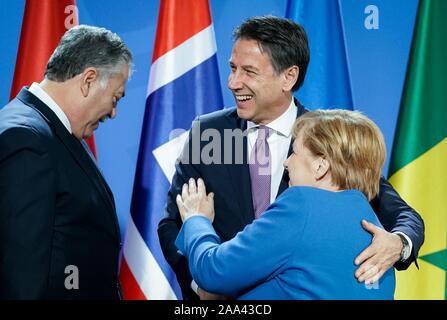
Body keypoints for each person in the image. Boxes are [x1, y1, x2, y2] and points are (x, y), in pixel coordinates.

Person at [158, 15, 424, 300]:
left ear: (289, 76)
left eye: (249, 71)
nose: (234, 82)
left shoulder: (322, 138)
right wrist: (202, 286)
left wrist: (399, 243)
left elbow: (403, 214)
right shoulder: (209, 132)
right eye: (232, 68)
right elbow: (172, 222)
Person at [175, 109, 396, 299]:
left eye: (295, 152)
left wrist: (197, 220)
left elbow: (212, 271)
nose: (286, 161)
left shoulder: (302, 206)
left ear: (321, 166)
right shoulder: (373, 224)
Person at [0, 25, 132, 299]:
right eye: (115, 98)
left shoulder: (54, 132)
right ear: (88, 80)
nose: (113, 112)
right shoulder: (27, 138)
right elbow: (22, 278)